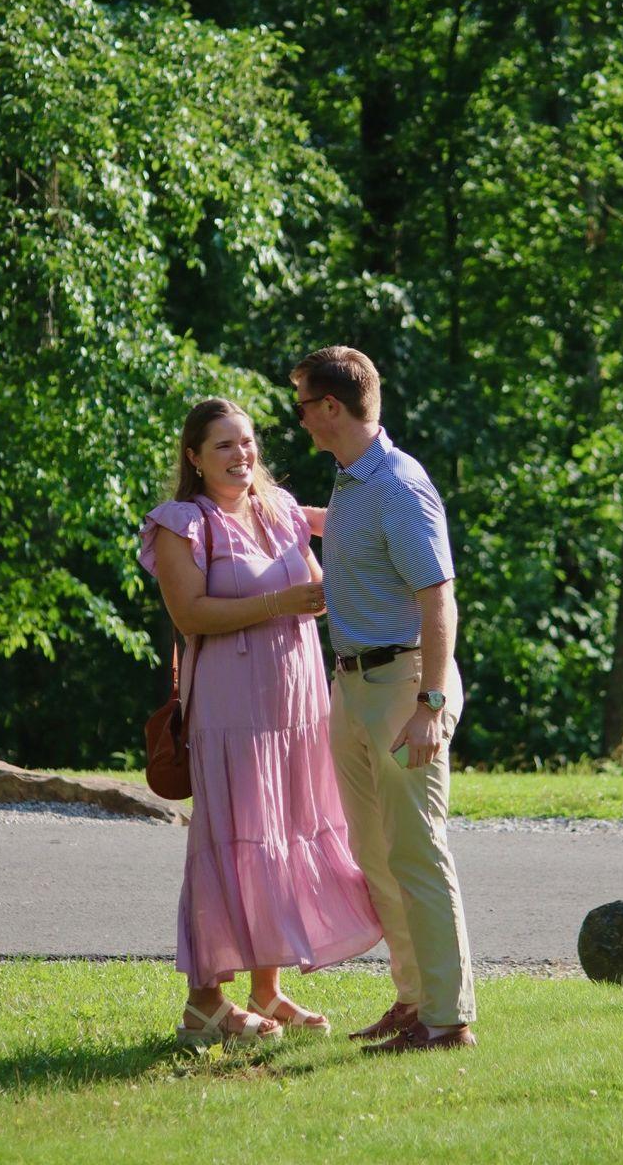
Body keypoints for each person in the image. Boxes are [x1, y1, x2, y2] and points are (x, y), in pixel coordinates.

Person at [139, 397, 382, 1047]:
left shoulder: (280, 511)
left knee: (282, 833)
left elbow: (329, 568)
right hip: (232, 710)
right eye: (223, 444)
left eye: (247, 441)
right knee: (233, 837)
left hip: (297, 705)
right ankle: (203, 1005)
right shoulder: (183, 523)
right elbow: (190, 614)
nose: (240, 454)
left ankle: (266, 991)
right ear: (194, 457)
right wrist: (281, 601)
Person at [290, 346, 477, 1052]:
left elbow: (439, 598)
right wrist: (289, 516)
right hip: (353, 686)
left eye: (304, 405)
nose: (299, 419)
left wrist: (431, 704)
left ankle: (447, 1020)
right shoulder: (351, 480)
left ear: (332, 407)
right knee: (375, 851)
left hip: (404, 686)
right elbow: (358, 540)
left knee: (417, 851)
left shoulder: (398, 484)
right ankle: (414, 999)